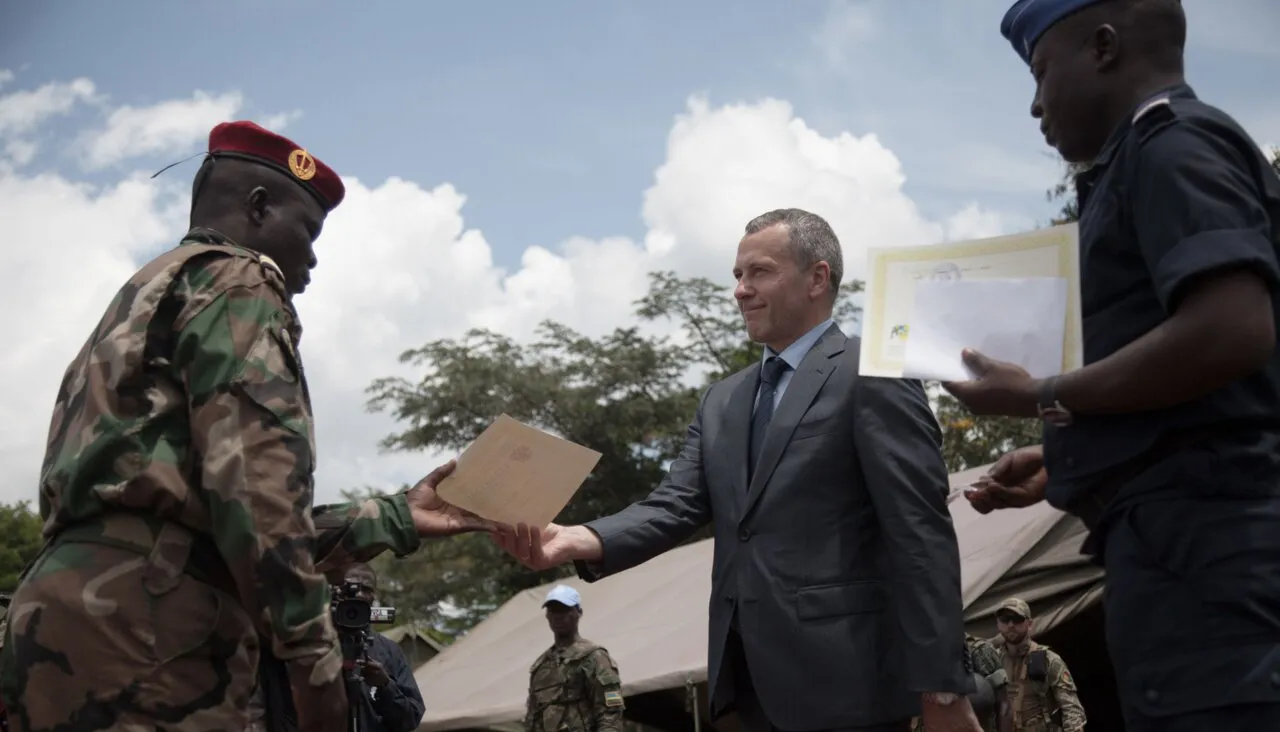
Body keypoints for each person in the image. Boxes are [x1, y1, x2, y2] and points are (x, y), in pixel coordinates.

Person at [0, 121, 496, 732]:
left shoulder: (143, 297)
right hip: (152, 625)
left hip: (61, 616)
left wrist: (396, 517)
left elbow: (203, 512)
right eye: (308, 231)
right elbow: (257, 495)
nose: (312, 257)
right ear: (258, 207)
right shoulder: (241, 280)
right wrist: (313, 664)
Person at [497, 208, 980, 732]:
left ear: (817, 278)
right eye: (737, 275)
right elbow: (675, 503)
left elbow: (920, 533)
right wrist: (575, 539)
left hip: (850, 683)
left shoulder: (872, 371)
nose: (741, 290)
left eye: (760, 272)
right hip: (745, 686)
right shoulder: (722, 400)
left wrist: (943, 684)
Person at [943, 1, 1280, 729]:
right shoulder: (1141, 160)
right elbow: (1201, 392)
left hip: (1213, 552)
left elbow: (1233, 330)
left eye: (1040, 73)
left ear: (1102, 46)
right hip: (1181, 547)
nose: (1035, 104)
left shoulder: (1173, 145)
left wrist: (1040, 394)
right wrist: (1065, 450)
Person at [524, 585, 625, 732]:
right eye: (553, 610)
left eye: (564, 610)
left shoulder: (594, 657)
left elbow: (610, 716)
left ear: (579, 613)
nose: (558, 616)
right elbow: (532, 720)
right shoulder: (540, 667)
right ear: (547, 616)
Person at [989, 599, 1085, 732]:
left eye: (1017, 619)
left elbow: (1071, 708)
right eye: (1005, 619)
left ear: (1029, 624)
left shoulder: (1048, 659)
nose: (1011, 625)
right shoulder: (992, 661)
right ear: (998, 624)